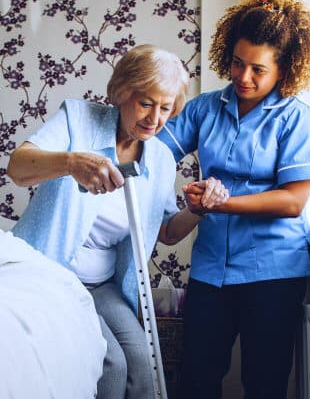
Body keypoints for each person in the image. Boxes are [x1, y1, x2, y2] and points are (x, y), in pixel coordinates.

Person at [6, 44, 229, 399]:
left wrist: (198, 209)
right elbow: (17, 168)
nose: (155, 118)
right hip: (52, 274)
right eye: (146, 103)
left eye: (166, 108)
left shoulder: (160, 160)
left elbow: (168, 232)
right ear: (124, 92)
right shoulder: (77, 119)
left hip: (102, 284)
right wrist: (70, 162)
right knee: (111, 364)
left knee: (141, 361)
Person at [157, 0, 310, 399]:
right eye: (236, 63)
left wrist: (219, 202)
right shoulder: (204, 108)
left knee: (264, 384)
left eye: (257, 69)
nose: (243, 77)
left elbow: (293, 201)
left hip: (274, 271)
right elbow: (153, 152)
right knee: (197, 379)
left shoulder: (296, 119)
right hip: (210, 269)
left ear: (284, 70)